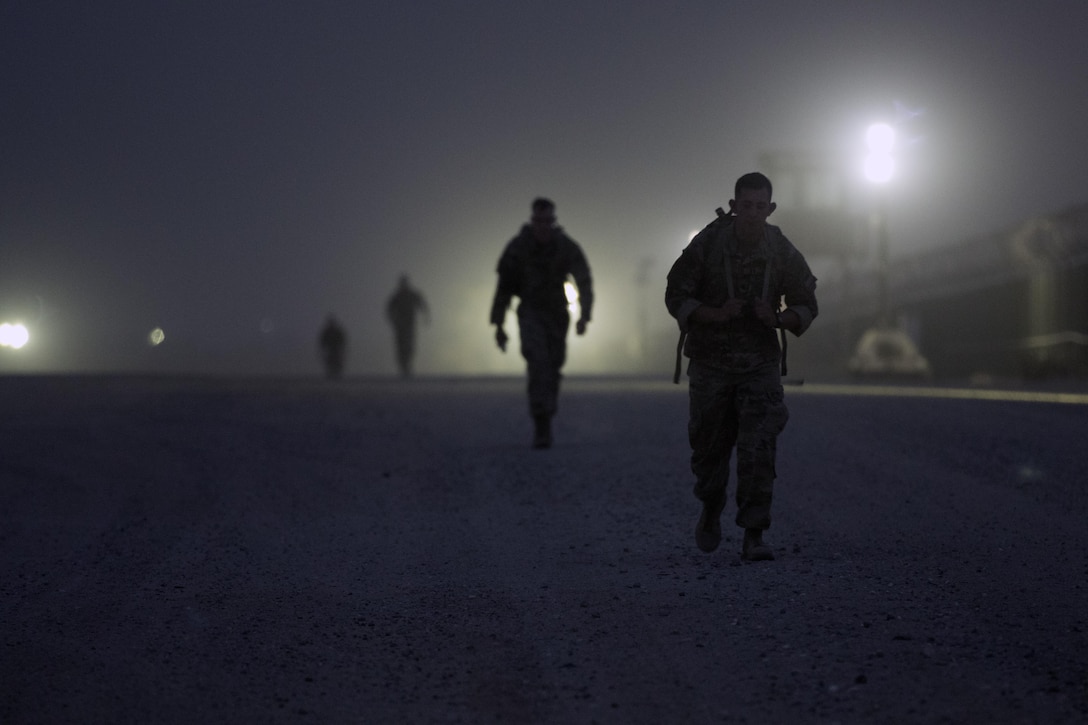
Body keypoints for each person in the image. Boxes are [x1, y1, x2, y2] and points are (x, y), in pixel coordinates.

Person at [665, 172, 818, 561]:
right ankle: (710, 508)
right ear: (733, 206)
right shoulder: (709, 242)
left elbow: (807, 302)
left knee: (759, 447)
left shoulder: (780, 249)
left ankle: (754, 533)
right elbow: (675, 292)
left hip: (759, 363)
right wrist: (712, 314)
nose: (752, 214)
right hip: (711, 362)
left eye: (760, 207)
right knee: (708, 450)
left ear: (771, 209)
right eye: (745, 206)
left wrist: (779, 319)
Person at [490, 197, 594, 449]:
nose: (543, 227)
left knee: (554, 365)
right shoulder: (518, 248)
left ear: (553, 221)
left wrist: (584, 316)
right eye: (539, 221)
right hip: (530, 313)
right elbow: (504, 288)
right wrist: (499, 325)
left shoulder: (566, 247)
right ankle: (541, 423)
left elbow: (584, 281)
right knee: (538, 363)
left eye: (548, 221)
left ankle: (547, 410)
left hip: (558, 314)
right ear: (532, 220)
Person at [386, 274, 429, 378]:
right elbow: (389, 310)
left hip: (409, 325)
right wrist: (393, 321)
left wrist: (426, 316)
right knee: (401, 347)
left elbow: (422, 304)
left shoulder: (411, 294)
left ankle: (407, 367)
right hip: (401, 325)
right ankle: (403, 368)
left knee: (409, 346)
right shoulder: (397, 296)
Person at [317, 314, 347, 379]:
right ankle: (331, 374)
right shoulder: (328, 331)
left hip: (336, 349)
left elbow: (342, 340)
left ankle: (336, 374)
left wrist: (342, 348)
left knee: (336, 362)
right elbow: (323, 340)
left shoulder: (335, 331)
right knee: (330, 362)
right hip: (330, 349)